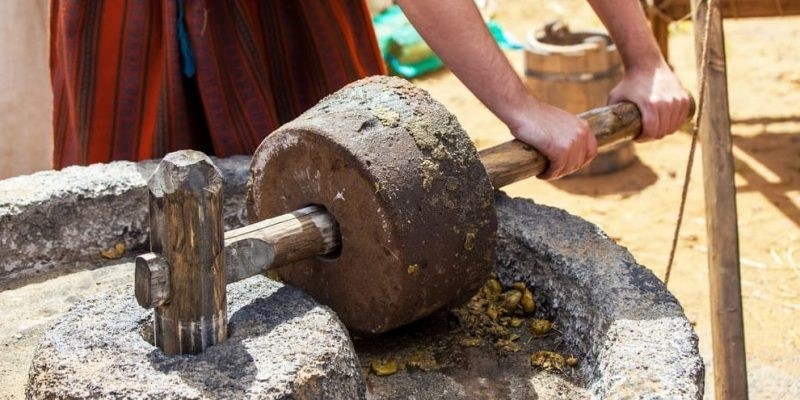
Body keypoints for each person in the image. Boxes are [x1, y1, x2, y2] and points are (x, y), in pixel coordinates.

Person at [50, 0, 690, 180]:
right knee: (142, 234)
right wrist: (520, 107)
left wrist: (643, 57)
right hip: (143, 27)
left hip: (301, 22)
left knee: (342, 198)